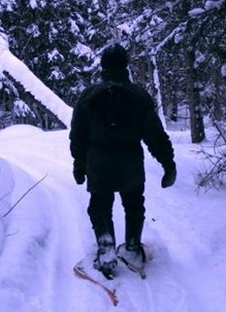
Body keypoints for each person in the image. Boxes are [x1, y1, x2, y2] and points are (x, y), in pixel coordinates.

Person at [69, 43, 176, 279]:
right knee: (134, 204)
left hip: (98, 162)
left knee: (100, 206)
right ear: (125, 66)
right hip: (130, 162)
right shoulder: (139, 96)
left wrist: (79, 164)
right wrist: (168, 163)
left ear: (103, 66)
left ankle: (106, 252)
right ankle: (131, 248)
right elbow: (155, 135)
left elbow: (77, 134)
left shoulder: (88, 96)